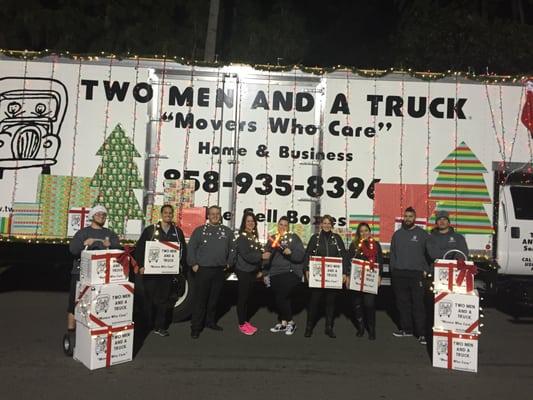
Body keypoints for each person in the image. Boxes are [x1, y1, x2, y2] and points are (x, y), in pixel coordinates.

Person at [63, 205, 121, 355]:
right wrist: (84, 243)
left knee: (98, 305)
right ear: (92, 216)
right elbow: (73, 250)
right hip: (80, 274)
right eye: (98, 214)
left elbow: (118, 248)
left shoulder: (109, 233)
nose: (101, 216)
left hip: (101, 276)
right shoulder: (83, 233)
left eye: (104, 214)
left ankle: (96, 333)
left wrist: (111, 244)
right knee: (75, 304)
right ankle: (71, 333)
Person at [134, 204, 187, 337]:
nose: (168, 215)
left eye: (170, 213)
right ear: (161, 214)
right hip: (151, 273)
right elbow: (140, 249)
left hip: (167, 274)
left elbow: (182, 251)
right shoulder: (150, 230)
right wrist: (141, 265)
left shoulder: (177, 232)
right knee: (148, 299)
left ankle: (159, 326)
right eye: (165, 213)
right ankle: (146, 325)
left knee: (163, 300)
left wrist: (179, 265)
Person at [187, 205, 233, 339]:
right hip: (204, 270)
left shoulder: (227, 231)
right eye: (212, 214)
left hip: (219, 270)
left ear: (220, 215)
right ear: (208, 216)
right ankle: (196, 327)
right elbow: (191, 248)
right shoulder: (200, 231)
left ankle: (210, 322)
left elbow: (233, 249)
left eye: (217, 214)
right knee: (200, 300)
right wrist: (193, 263)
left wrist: (229, 263)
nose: (215, 216)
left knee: (214, 299)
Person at [390, 207, 430, 345]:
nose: (408, 219)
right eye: (406, 216)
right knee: (402, 304)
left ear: (415, 218)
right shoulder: (397, 234)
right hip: (399, 274)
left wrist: (426, 269)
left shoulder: (423, 234)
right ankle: (406, 329)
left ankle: (422, 334)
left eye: (410, 216)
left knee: (418, 305)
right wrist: (393, 270)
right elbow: (393, 254)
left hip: (416, 274)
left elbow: (429, 254)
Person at [304, 215, 347, 339]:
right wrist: (306, 269)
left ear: (332, 225)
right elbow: (308, 254)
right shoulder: (315, 238)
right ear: (321, 224)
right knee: (314, 302)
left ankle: (329, 327)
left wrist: (344, 272)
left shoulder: (337, 238)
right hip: (318, 277)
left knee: (330, 303)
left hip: (332, 277)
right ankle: (309, 327)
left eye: (329, 223)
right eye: (325, 223)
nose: (327, 225)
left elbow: (343, 255)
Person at [263, 216, 306, 336]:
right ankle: (283, 323)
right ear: (278, 225)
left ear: (288, 227)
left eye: (285, 225)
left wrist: (291, 253)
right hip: (275, 272)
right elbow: (267, 257)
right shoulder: (272, 239)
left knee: (282, 296)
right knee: (280, 297)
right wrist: (266, 273)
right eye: (280, 224)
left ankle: (291, 323)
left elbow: (300, 255)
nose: (282, 227)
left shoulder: (293, 238)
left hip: (290, 272)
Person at [347, 222, 383, 340]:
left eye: (366, 231)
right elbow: (349, 261)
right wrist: (347, 276)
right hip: (356, 279)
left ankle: (371, 330)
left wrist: (379, 276)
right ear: (359, 233)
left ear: (370, 232)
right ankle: (361, 327)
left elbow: (380, 261)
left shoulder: (375, 245)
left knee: (369, 304)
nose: (364, 233)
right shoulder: (354, 245)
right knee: (357, 304)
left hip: (370, 280)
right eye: (361, 231)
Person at [233, 211, 264, 335]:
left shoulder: (252, 236)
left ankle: (245, 321)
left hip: (251, 271)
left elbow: (253, 254)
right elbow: (247, 256)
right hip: (244, 271)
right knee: (243, 298)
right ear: (244, 223)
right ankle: (241, 324)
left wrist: (258, 269)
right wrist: (262, 256)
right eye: (248, 221)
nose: (251, 223)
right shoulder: (242, 237)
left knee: (247, 298)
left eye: (252, 221)